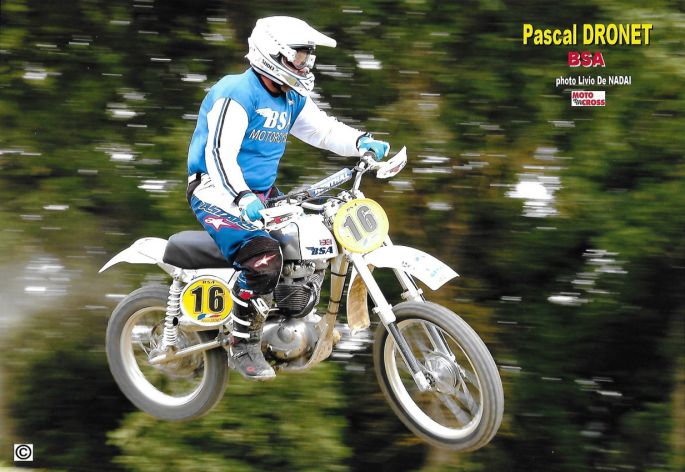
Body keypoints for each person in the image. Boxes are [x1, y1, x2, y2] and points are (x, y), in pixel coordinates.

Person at [186, 16, 390, 380]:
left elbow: (323, 130)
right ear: (272, 52)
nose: (304, 64)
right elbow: (218, 154)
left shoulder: (291, 97)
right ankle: (242, 343)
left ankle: (293, 311)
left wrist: (360, 141)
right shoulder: (236, 92)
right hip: (216, 191)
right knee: (263, 259)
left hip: (261, 193)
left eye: (307, 57)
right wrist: (241, 196)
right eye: (298, 56)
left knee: (315, 237)